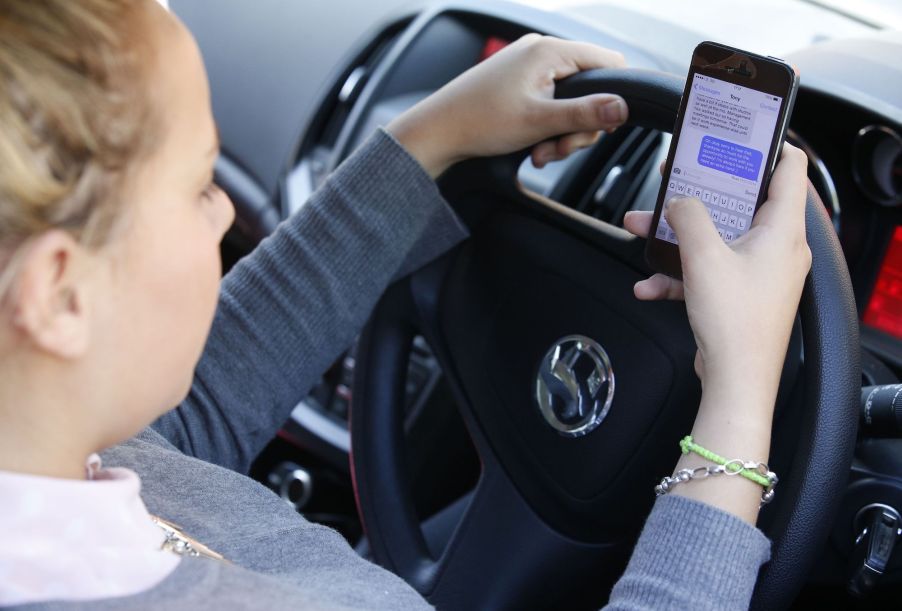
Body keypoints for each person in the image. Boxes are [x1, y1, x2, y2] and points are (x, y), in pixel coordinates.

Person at [0, 0, 810, 609]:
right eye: (198, 183)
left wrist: (439, 134)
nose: (220, 213)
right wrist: (741, 392)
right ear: (60, 291)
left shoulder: (65, 458)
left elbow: (182, 430)